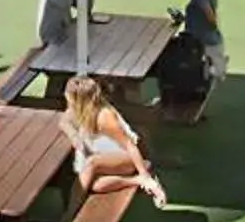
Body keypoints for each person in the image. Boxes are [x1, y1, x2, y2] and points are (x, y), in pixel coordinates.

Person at [63, 75, 170, 208]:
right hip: (106, 157)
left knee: (91, 164)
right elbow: (64, 121)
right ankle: (134, 181)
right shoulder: (80, 109)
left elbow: (129, 145)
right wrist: (74, 137)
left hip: (128, 157)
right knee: (95, 185)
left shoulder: (104, 117)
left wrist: (144, 174)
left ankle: (69, 214)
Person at [153, 0, 225, 113]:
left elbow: (210, 18)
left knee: (165, 59)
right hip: (206, 39)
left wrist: (207, 25)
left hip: (198, 42)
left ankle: (168, 97)